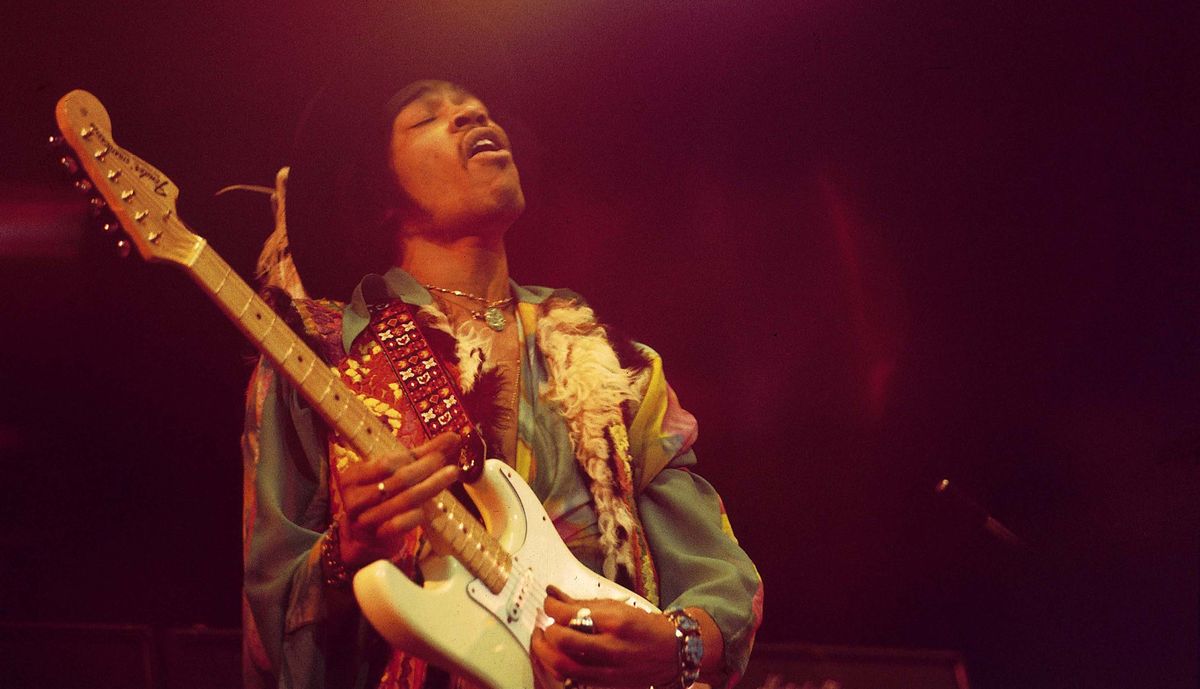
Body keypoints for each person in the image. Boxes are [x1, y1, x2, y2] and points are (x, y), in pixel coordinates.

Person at [242, 79, 763, 689]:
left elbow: (717, 575)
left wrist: (679, 644)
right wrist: (347, 550)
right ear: (380, 192)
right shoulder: (318, 359)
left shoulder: (620, 368)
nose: (468, 114)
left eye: (479, 110)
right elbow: (268, 613)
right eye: (426, 118)